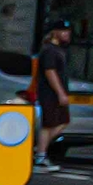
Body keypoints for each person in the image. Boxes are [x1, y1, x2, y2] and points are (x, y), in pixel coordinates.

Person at [33, 22, 73, 167]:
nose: (67, 34)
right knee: (48, 124)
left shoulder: (59, 50)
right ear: (54, 32)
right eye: (63, 31)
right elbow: (50, 72)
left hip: (56, 93)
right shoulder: (49, 50)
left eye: (68, 31)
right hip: (49, 93)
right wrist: (60, 93)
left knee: (63, 121)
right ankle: (40, 157)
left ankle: (39, 149)